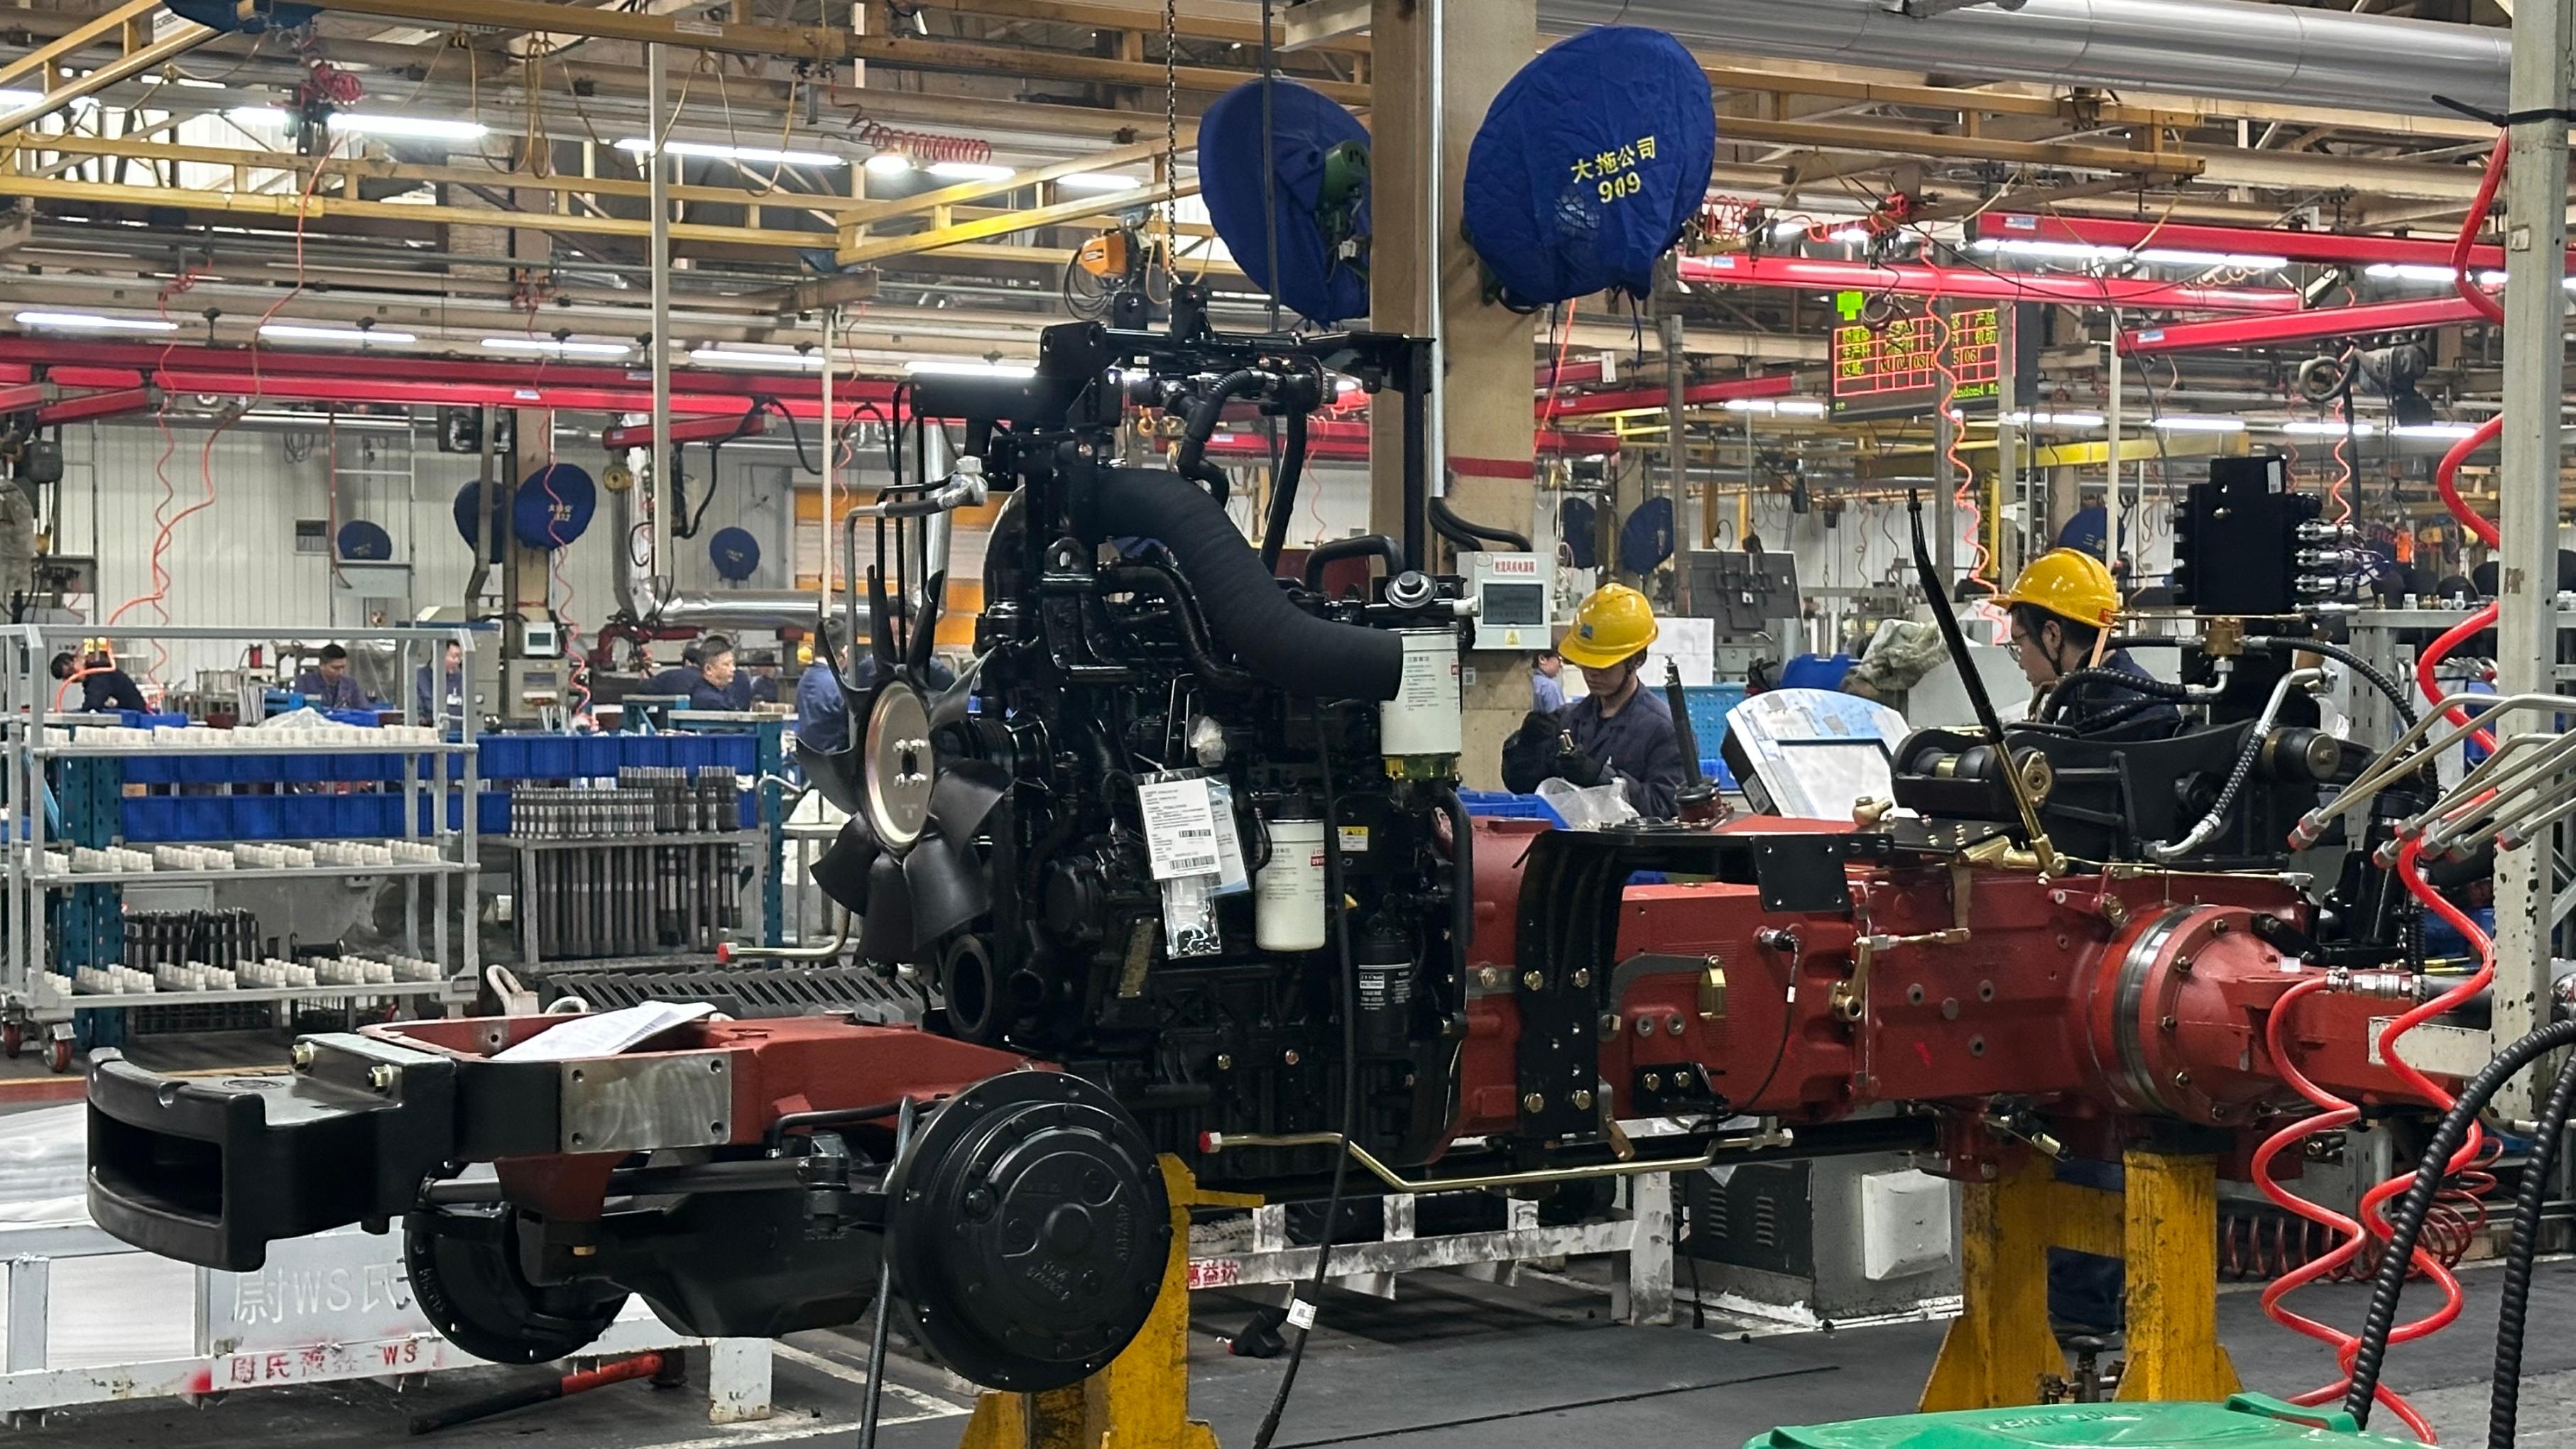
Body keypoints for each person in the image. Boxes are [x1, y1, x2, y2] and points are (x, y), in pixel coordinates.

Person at [1500, 584, 1686, 819]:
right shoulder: (1567, 720)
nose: (1591, 674)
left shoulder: (1664, 730)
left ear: (1637, 660)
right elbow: (1520, 785)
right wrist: (1526, 748)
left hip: (1627, 844)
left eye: (1603, 665)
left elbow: (1668, 808)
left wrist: (1602, 778)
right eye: (1585, 663)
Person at [1999, 549, 2178, 736]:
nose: (2021, 663)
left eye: (2019, 645)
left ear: (2052, 634)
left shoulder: (2134, 717)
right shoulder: (2089, 702)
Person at [796, 620, 958, 756]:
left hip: (816, 762)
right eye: (892, 635)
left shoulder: (805, 680)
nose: (896, 641)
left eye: (900, 634)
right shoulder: (845, 682)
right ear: (845, 652)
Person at [50, 650, 148, 714]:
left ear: (78, 659)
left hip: (133, 719)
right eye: (69, 676)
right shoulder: (93, 677)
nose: (75, 676)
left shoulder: (99, 674)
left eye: (73, 670)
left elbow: (93, 705)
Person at [293, 643, 371, 712]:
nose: (341, 672)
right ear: (321, 665)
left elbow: (364, 710)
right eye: (336, 668)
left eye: (343, 667)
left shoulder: (351, 684)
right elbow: (296, 711)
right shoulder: (305, 682)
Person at [688, 636, 755, 712]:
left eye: (733, 664)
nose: (733, 669)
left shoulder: (724, 691)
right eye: (726, 664)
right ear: (708, 669)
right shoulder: (709, 700)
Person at [415, 640, 466, 726]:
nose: (457, 661)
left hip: (456, 732)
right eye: (454, 657)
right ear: (439, 656)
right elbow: (417, 712)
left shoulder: (460, 679)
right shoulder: (420, 677)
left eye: (460, 658)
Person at [1530, 648, 1566, 713]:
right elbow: (1559, 716)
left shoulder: (1528, 682)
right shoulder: (1550, 686)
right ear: (1542, 659)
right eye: (1559, 660)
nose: (1561, 665)